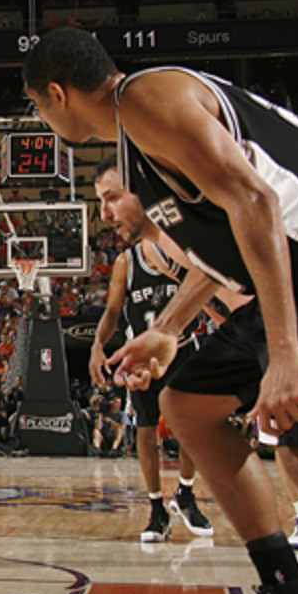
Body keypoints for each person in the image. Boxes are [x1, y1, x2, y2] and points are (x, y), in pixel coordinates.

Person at [24, 27, 298, 594]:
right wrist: (169, 328)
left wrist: (286, 349)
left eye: (38, 107)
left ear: (56, 93)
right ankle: (287, 587)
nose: (43, 119)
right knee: (188, 405)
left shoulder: (144, 99)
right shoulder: (138, 139)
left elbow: (257, 202)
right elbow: (231, 240)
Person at [90, 157, 213, 543]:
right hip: (144, 355)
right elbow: (112, 312)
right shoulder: (127, 261)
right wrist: (96, 345)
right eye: (101, 204)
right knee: (146, 429)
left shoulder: (183, 250)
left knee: (193, 426)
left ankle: (187, 492)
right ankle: (157, 506)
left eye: (112, 199)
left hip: (186, 347)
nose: (106, 214)